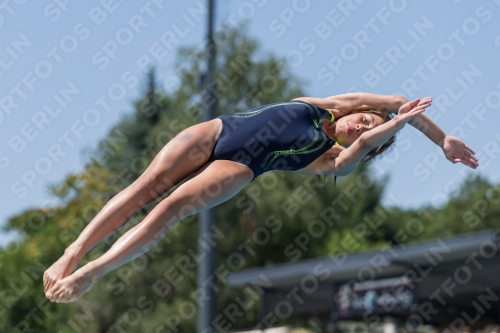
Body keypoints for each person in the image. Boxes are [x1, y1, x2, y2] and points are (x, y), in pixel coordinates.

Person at [43, 93, 478, 303]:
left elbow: (378, 134)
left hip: (238, 168)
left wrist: (395, 128)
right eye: (361, 119)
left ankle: (94, 272)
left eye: (367, 130)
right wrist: (441, 139)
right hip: (219, 128)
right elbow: (401, 102)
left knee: (167, 209)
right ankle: (72, 251)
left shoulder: (334, 159)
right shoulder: (325, 105)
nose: (358, 126)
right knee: (145, 186)